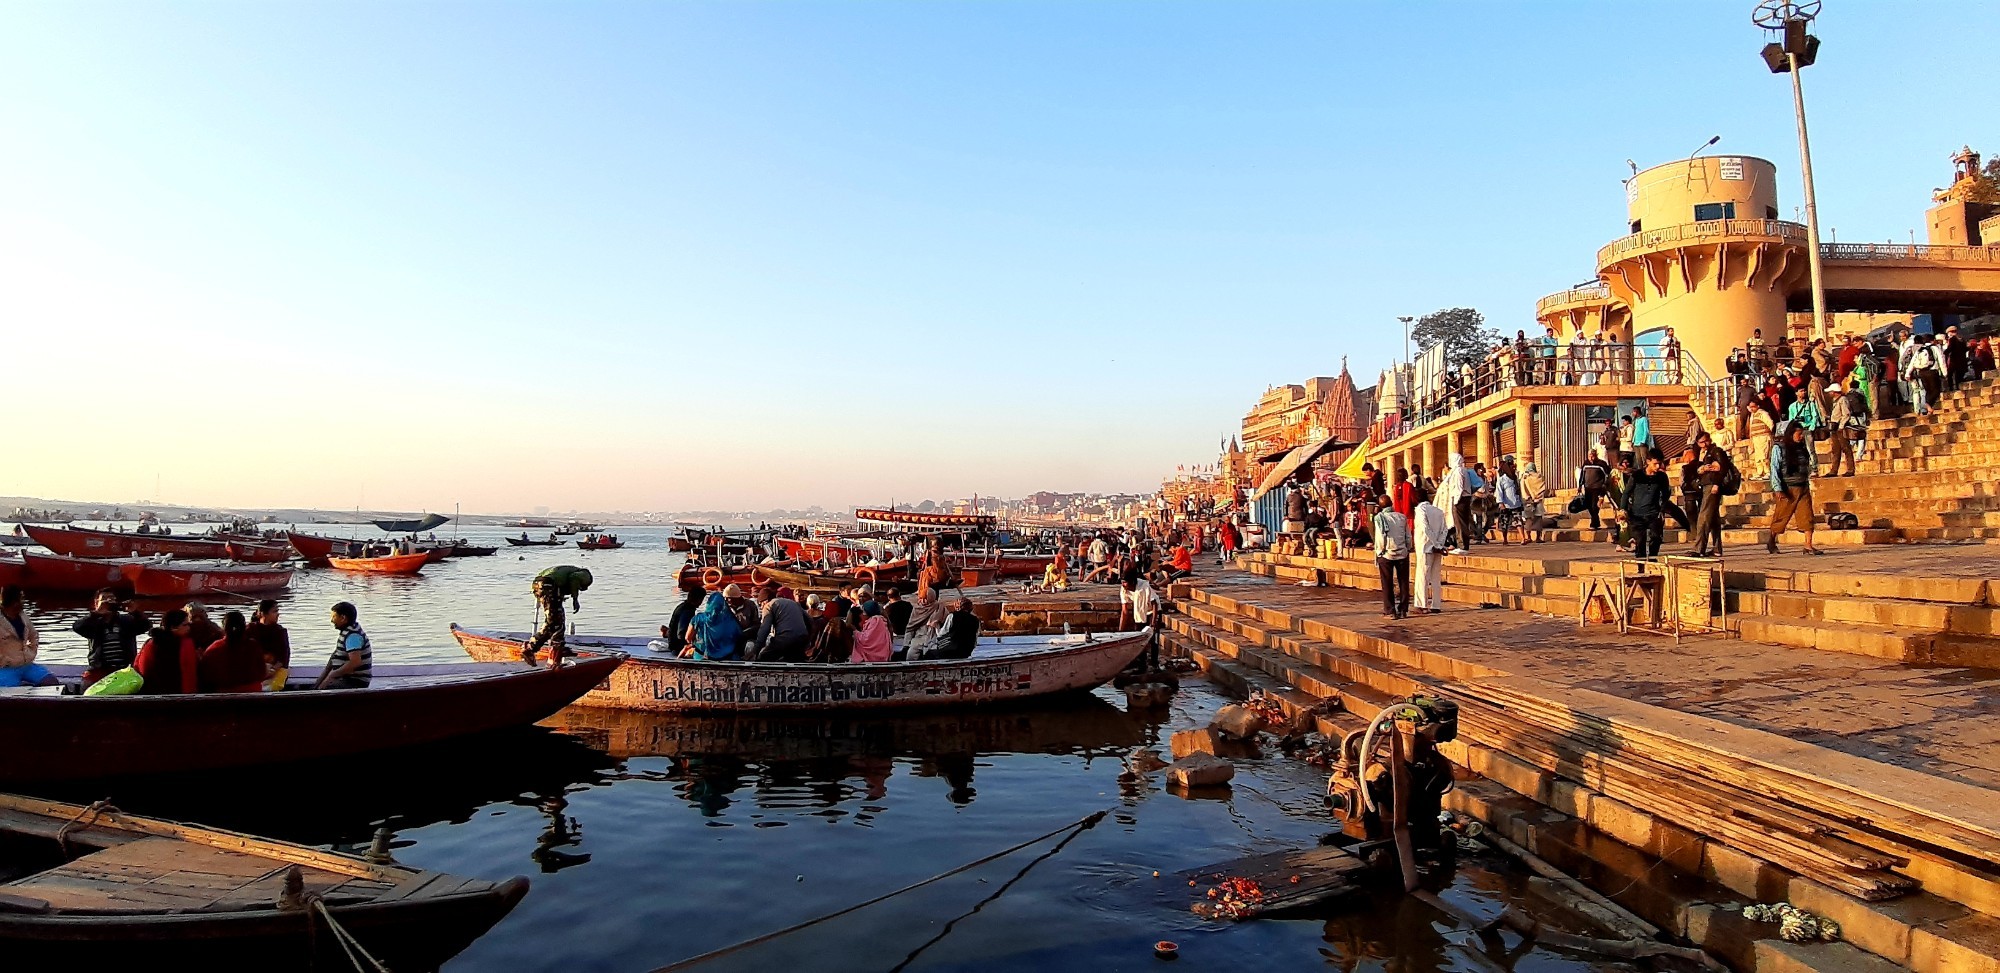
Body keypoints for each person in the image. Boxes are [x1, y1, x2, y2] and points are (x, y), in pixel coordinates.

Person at [72, 589, 150, 685]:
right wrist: (97, 612)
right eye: (104, 599)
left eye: (112, 599)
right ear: (96, 603)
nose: (109, 602)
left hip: (125, 669)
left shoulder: (126, 621)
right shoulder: (92, 622)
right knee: (88, 687)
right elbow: (77, 627)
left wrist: (135, 612)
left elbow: (146, 626)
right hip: (99, 669)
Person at [1768, 421, 1821, 556]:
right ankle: (1771, 541)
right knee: (1781, 517)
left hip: (1802, 486)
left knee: (1807, 516)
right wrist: (1777, 488)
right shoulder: (1779, 448)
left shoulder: (1801, 448)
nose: (1801, 437)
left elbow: (1807, 464)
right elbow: (1774, 469)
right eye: (1799, 434)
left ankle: (1808, 545)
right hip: (1788, 489)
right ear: (1791, 434)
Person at [0, 585, 59, 688]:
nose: (24, 601)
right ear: (13, 601)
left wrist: (32, 652)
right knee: (11, 693)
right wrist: (3, 660)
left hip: (26, 665)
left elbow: (34, 635)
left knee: (51, 682)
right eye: (21, 598)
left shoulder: (22, 616)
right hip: (5, 668)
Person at [199, 610, 268, 693]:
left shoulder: (214, 649)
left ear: (224, 628)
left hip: (223, 696)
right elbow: (262, 673)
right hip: (253, 693)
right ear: (244, 627)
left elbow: (206, 677)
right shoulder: (253, 646)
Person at [135, 609, 200, 695]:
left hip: (157, 695)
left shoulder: (150, 643)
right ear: (173, 627)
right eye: (185, 625)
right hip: (172, 695)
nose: (189, 628)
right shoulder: (180, 645)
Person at [1621, 453, 1672, 559]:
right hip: (1637, 514)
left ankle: (1653, 560)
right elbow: (1626, 493)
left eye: (1659, 464)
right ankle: (1641, 567)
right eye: (1655, 464)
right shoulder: (1637, 475)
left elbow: (1666, 494)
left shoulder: (1662, 477)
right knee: (1640, 542)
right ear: (1648, 462)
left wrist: (1662, 510)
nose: (1658, 467)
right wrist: (1623, 509)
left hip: (1654, 513)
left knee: (1656, 538)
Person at [1372, 493, 1412, 619]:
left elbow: (1380, 538)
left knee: (1387, 583)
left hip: (1387, 554)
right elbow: (1408, 536)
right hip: (1402, 552)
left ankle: (1390, 611)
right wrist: (1407, 547)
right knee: (1403, 582)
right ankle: (1403, 609)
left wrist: (1379, 552)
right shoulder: (1401, 517)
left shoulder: (1380, 518)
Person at [317, 602, 373, 689]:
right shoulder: (347, 632)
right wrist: (320, 681)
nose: (332, 620)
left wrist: (332, 675)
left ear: (343, 618)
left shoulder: (353, 636)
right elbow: (334, 658)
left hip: (355, 681)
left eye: (334, 617)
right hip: (345, 678)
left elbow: (355, 662)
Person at [752, 583, 812, 662]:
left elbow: (764, 629)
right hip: (802, 639)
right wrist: (809, 640)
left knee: (763, 657)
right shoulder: (793, 603)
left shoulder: (769, 606)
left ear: (764, 601)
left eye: (760, 605)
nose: (761, 607)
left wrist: (755, 650)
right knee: (793, 659)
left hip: (784, 639)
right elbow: (810, 622)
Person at [1410, 497, 1447, 615]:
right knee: (1435, 577)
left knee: (1422, 576)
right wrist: (1439, 544)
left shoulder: (1421, 510)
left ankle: (1422, 604)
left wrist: (1435, 543)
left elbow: (1425, 528)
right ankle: (1436, 604)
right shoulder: (1439, 511)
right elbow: (1444, 530)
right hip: (1437, 547)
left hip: (1425, 547)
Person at [246, 599, 292, 691]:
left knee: (269, 688)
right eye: (274, 611)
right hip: (256, 669)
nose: (278, 614)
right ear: (263, 614)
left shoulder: (280, 631)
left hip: (276, 669)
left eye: (277, 611)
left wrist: (272, 671)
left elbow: (283, 658)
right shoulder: (250, 629)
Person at [1437, 452, 1478, 555]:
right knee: (1458, 523)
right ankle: (1460, 544)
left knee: (1461, 523)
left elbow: (1459, 487)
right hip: (1460, 498)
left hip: (1460, 499)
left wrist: (1456, 500)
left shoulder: (1459, 471)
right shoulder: (1458, 470)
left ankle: (1463, 546)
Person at [682, 592, 741, 661]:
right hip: (727, 658)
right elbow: (739, 637)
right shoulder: (731, 620)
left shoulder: (698, 618)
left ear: (708, 604)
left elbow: (688, 638)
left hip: (701, 656)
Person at [525, 577, 568, 667]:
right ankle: (530, 648)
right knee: (552, 623)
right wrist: (575, 597)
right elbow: (574, 580)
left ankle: (557, 649)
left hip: (542, 585)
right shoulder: (582, 577)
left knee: (559, 620)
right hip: (546, 586)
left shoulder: (564, 575)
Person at [661, 578, 705, 656]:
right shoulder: (687, 611)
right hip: (677, 648)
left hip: (674, 643)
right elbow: (681, 634)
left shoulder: (683, 606)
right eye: (701, 600)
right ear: (698, 599)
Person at [901, 588, 944, 659]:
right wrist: (906, 644)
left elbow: (946, 624)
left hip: (934, 637)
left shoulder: (939, 607)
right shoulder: (917, 609)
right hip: (918, 638)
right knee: (910, 655)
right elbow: (910, 627)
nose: (922, 601)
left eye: (925, 598)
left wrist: (936, 624)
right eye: (921, 598)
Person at [722, 584, 759, 657]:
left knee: (750, 647)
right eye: (725, 598)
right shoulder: (724, 606)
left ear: (736, 599)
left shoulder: (750, 605)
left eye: (728, 598)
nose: (726, 600)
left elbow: (756, 625)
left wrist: (743, 633)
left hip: (746, 637)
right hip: (730, 637)